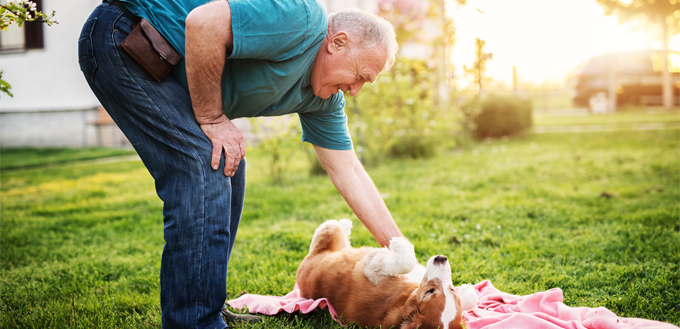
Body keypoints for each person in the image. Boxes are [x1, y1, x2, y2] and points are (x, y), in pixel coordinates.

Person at [79, 0, 403, 328]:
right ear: (338, 42)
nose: (356, 90)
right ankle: (195, 322)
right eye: (360, 75)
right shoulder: (303, 20)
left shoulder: (324, 99)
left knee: (228, 163)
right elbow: (204, 22)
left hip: (161, 65)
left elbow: (349, 171)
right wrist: (212, 118)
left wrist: (401, 252)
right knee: (206, 163)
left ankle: (205, 307)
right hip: (126, 35)